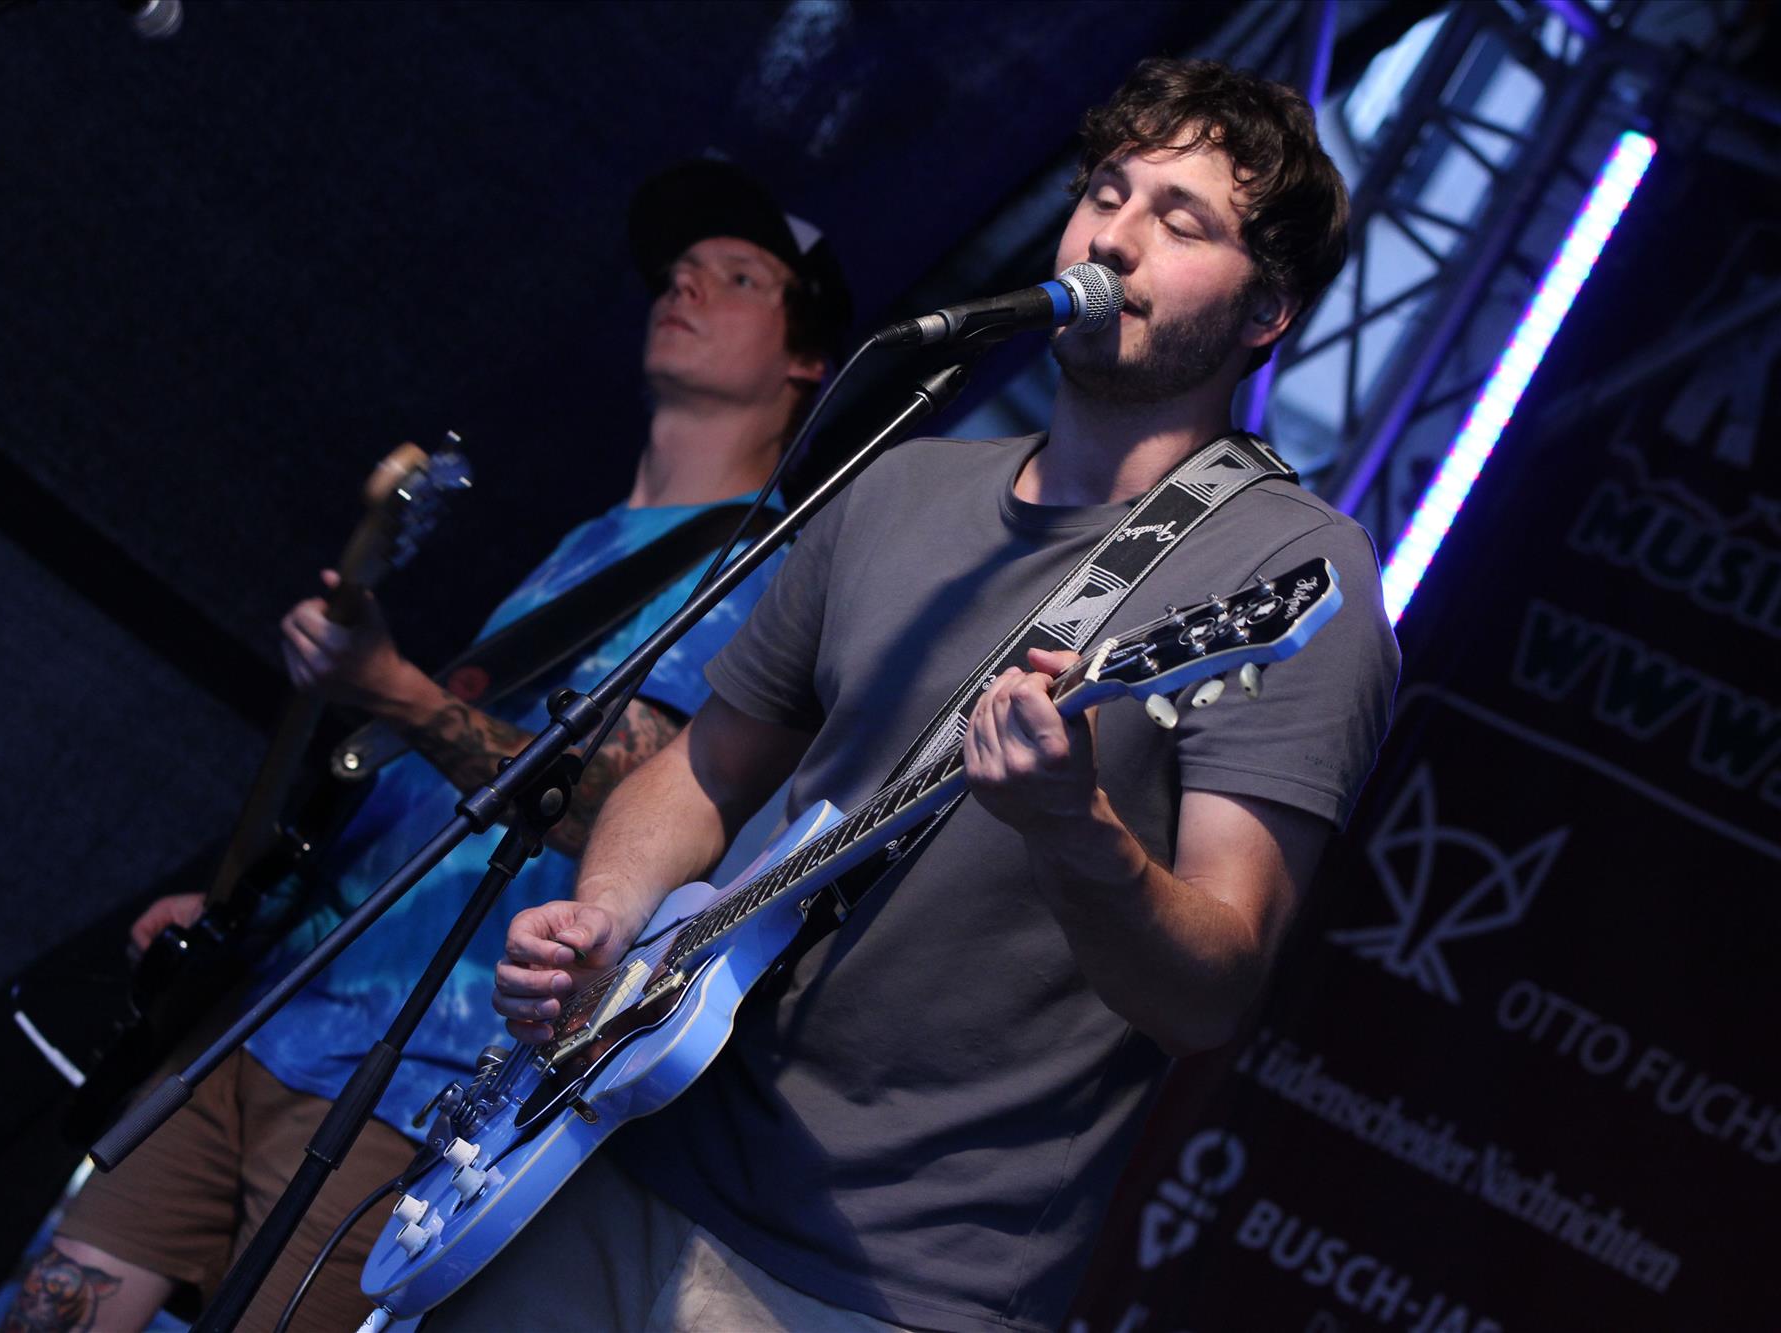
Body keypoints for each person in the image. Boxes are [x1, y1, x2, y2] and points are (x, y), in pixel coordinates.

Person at [451, 59, 1401, 1332]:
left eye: (1179, 221)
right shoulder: (900, 486)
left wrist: (1075, 829)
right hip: (619, 1137)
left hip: (884, 1275)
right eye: (1104, 193)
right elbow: (707, 765)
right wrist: (606, 915)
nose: (1113, 236)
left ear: (1266, 308)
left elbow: (1209, 991)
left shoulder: (1283, 571)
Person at [0, 161, 852, 1333]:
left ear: (807, 361)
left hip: (412, 1085)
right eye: (678, 270)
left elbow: (612, 802)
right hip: (272, 1010)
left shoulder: (757, 570)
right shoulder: (593, 539)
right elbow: (430, 807)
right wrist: (260, 905)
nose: (685, 286)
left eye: (739, 277)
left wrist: (391, 689)